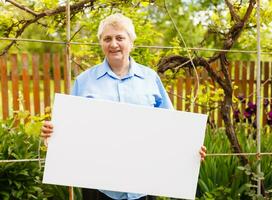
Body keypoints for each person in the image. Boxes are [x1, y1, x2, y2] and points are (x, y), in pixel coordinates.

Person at [41, 13, 207, 200]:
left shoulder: (150, 79)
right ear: (101, 43)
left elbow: (171, 128)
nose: (113, 44)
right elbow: (69, 129)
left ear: (131, 42)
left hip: (143, 184)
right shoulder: (84, 81)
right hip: (98, 186)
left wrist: (189, 150)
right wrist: (52, 134)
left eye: (120, 38)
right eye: (107, 39)